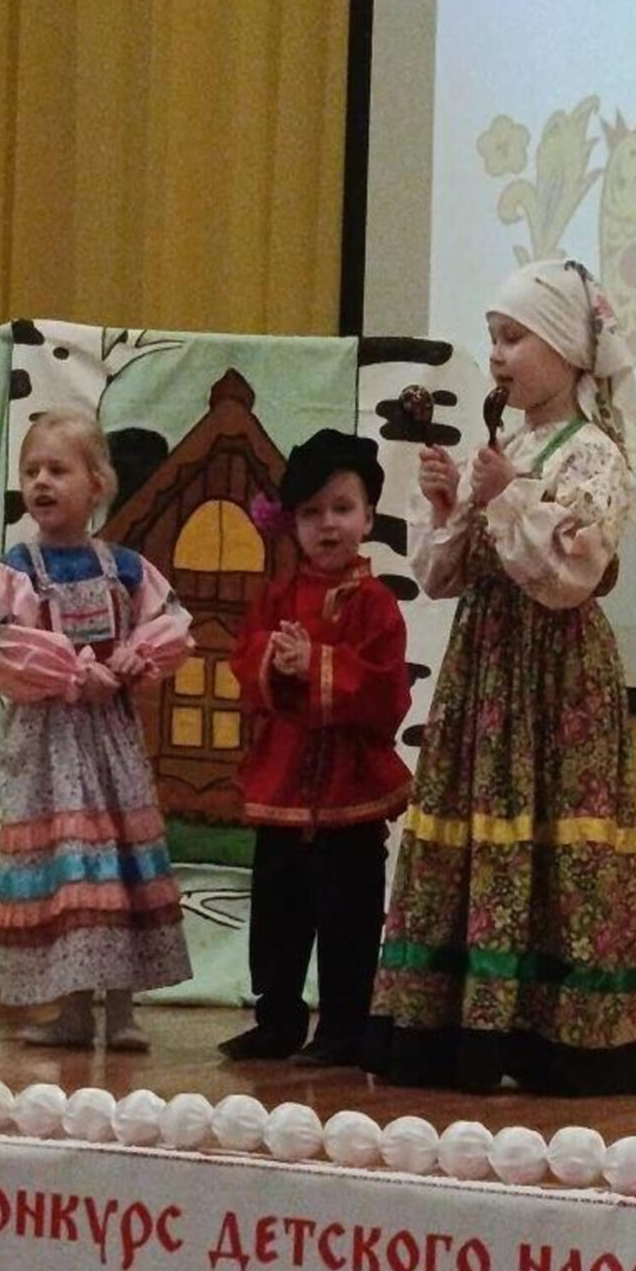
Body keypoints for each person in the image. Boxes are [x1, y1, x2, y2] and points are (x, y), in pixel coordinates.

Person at [365, 257, 636, 1096]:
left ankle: (551, 1035)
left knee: (550, 835)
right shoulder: (510, 446)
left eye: (515, 337)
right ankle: (457, 1024)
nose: (496, 354)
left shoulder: (594, 454)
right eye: (492, 337)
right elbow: (443, 577)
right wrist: (449, 505)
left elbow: (573, 574)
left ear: (566, 349)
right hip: (488, 666)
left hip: (554, 674)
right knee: (478, 825)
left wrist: (505, 500)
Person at [0, 406, 193, 1049]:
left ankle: (121, 1011)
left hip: (108, 746)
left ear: (97, 485)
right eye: (32, 471)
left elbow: (171, 623)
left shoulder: (123, 567)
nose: (41, 482)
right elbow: (0, 645)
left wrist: (133, 658)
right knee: (72, 868)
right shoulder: (18, 569)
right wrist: (73, 673)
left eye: (58, 470)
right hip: (48, 748)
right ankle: (73, 1011)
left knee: (115, 863)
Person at [220, 430, 413, 1068]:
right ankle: (277, 1019)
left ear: (368, 518)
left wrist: (318, 664)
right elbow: (244, 662)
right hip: (283, 784)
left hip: (350, 792)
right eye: (311, 512)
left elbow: (386, 693)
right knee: (278, 910)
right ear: (292, 523)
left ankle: (345, 1027)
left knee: (347, 915)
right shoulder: (276, 597)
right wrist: (272, 664)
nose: (327, 524)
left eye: (342, 508)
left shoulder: (378, 605)